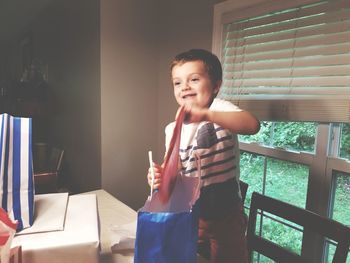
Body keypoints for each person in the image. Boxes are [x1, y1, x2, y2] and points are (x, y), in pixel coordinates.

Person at [147, 49, 260, 263]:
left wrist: (206, 115)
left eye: (194, 79)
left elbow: (252, 125)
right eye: (177, 83)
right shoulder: (172, 128)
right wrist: (159, 176)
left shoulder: (219, 109)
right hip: (191, 215)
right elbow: (173, 172)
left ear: (216, 85)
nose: (185, 87)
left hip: (226, 216)